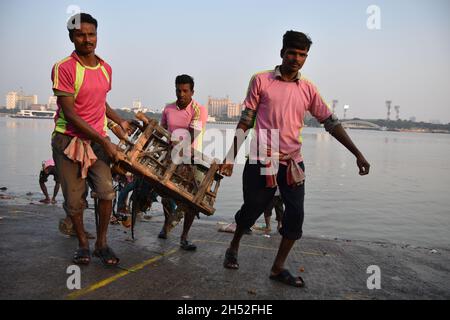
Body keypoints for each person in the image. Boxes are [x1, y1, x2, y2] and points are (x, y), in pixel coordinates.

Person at [219, 30, 370, 287]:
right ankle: (233, 245)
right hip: (262, 159)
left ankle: (278, 268)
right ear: (282, 53)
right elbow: (246, 119)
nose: (297, 58)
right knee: (252, 209)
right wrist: (230, 157)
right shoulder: (261, 80)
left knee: (296, 214)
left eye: (303, 55)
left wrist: (357, 153)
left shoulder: (308, 88)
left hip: (292, 162)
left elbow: (330, 123)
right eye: (292, 52)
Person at [51, 13, 131, 266]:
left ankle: (102, 244)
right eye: (81, 35)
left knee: (106, 192)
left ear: (97, 35)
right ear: (71, 37)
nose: (87, 40)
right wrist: (106, 141)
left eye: (91, 34)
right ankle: (83, 243)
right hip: (68, 141)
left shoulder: (106, 68)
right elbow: (71, 114)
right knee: (74, 201)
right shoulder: (64, 68)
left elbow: (99, 103)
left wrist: (119, 121)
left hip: (96, 143)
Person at [158, 74, 208, 251]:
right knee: (165, 193)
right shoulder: (168, 108)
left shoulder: (198, 109)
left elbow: (193, 133)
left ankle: (184, 236)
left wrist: (180, 146)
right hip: (171, 156)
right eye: (178, 90)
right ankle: (166, 224)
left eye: (185, 91)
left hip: (192, 159)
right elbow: (162, 131)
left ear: (192, 91)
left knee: (192, 200)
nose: (181, 94)